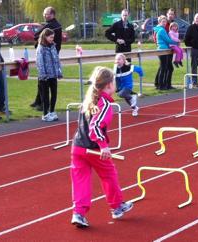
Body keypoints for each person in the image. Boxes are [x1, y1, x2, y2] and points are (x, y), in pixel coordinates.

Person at [70, 66, 133, 228]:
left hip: (78, 147)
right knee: (109, 175)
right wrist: (103, 146)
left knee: (80, 181)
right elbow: (95, 127)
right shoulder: (104, 103)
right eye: (114, 81)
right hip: (94, 150)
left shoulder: (88, 100)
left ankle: (79, 213)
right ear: (108, 85)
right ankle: (117, 206)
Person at [30, 6, 62, 111]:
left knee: (45, 85)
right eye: (44, 13)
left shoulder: (53, 26)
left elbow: (36, 35)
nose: (44, 15)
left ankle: (43, 105)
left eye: (46, 14)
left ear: (52, 14)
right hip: (49, 58)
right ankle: (39, 102)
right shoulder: (52, 25)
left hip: (50, 59)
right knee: (43, 84)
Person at [36, 28, 62, 122]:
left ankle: (51, 111)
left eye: (53, 37)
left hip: (53, 75)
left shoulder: (53, 46)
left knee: (54, 94)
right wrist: (43, 75)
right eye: (50, 37)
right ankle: (45, 114)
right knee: (45, 96)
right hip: (45, 76)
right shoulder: (41, 48)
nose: (52, 39)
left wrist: (59, 72)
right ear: (45, 37)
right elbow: (40, 62)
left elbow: (57, 60)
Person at [153, 15, 177, 90]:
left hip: (163, 50)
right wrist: (176, 42)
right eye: (163, 21)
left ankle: (160, 84)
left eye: (165, 22)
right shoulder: (161, 30)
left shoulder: (160, 29)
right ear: (159, 22)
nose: (164, 23)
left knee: (163, 68)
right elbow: (168, 40)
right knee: (163, 68)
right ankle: (161, 85)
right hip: (162, 50)